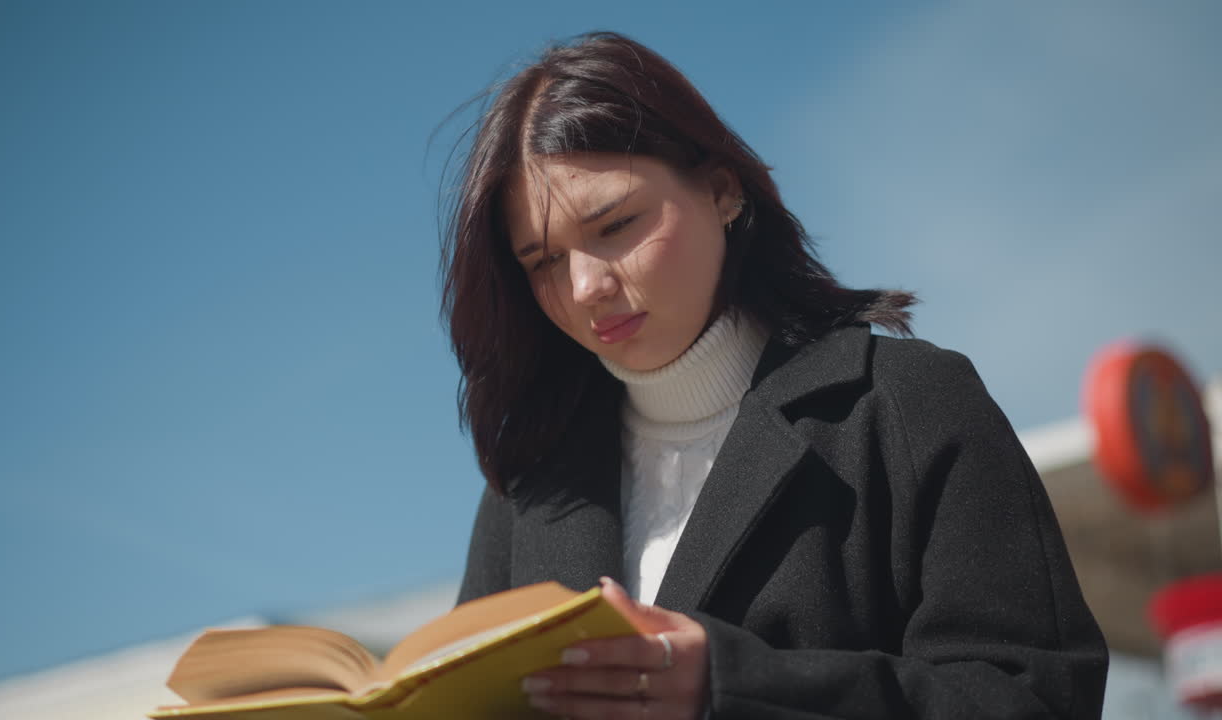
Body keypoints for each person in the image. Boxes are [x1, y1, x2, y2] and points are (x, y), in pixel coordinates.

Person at [440, 31, 1108, 719]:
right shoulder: (530, 492)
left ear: (722, 190)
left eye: (615, 225)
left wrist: (736, 690)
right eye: (543, 262)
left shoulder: (908, 405)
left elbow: (1038, 696)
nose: (584, 286)